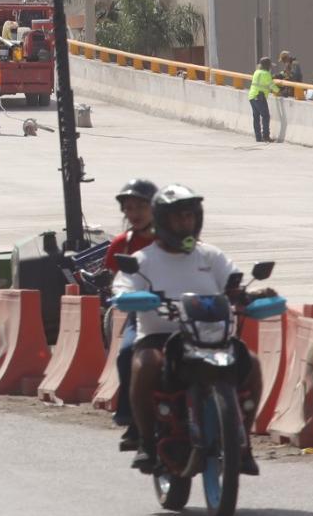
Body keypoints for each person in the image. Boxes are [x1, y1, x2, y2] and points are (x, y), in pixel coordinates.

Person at [114, 185, 266, 477]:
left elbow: (235, 286)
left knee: (253, 363)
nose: (185, 223)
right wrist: (131, 297)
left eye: (190, 216)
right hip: (160, 337)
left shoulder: (211, 256)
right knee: (145, 364)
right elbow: (123, 287)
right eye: (178, 218)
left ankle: (243, 443)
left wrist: (253, 296)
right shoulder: (144, 260)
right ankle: (146, 442)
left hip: (210, 335)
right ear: (162, 220)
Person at [101, 178, 158, 450]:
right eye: (129, 208)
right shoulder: (122, 245)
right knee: (127, 354)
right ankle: (131, 416)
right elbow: (118, 281)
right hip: (143, 314)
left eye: (141, 207)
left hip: (182, 312)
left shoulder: (175, 240)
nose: (134, 214)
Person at [248, 56, 275, 142]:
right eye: (270, 66)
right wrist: (279, 91)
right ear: (267, 66)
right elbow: (272, 86)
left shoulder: (256, 72)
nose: (270, 68)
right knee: (265, 116)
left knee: (256, 117)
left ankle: (258, 137)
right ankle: (266, 136)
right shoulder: (266, 74)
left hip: (252, 96)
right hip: (260, 97)